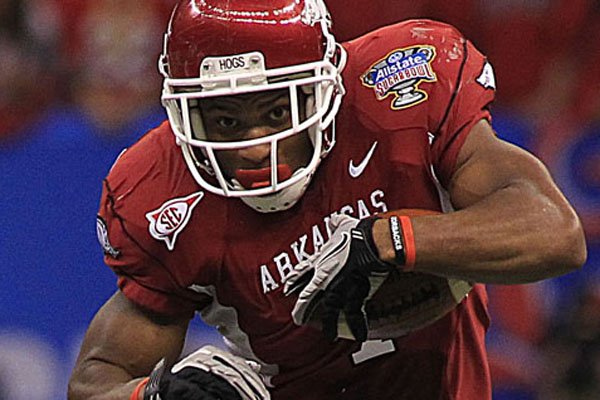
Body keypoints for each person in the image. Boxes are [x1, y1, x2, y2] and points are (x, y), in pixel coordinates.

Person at [67, 0, 587, 399]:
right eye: (224, 120)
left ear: (326, 87)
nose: (254, 146)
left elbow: (556, 232)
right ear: (183, 114)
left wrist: (391, 241)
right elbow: (99, 378)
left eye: (276, 112)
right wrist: (155, 394)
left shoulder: (398, 93)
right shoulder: (160, 194)